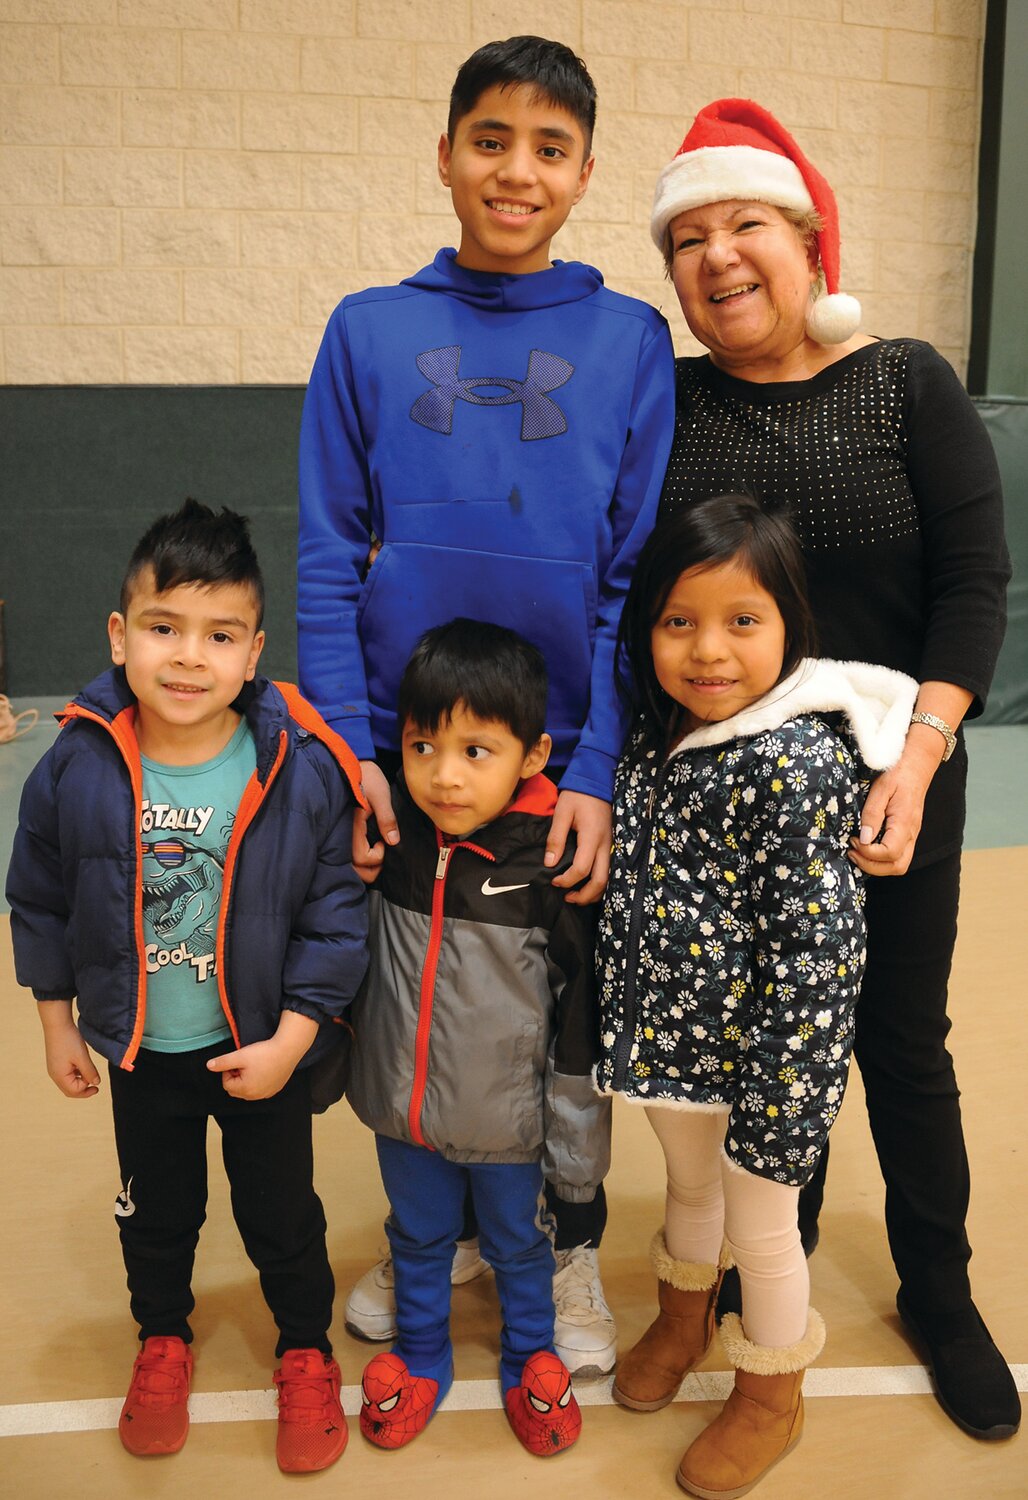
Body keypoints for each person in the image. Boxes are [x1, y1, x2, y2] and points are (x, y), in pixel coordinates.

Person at [297, 33, 675, 1377]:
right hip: (415, 765)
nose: (518, 170)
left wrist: (592, 771)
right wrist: (354, 756)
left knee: (561, 1037)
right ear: (446, 152)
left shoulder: (631, 340)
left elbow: (633, 581)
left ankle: (569, 1251)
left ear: (582, 174)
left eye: (551, 146)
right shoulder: (369, 328)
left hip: (555, 773)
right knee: (426, 1009)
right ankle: (452, 1230)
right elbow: (330, 555)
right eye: (493, 139)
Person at [650, 97, 1019, 1442]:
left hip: (889, 775)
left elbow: (977, 587)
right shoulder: (671, 400)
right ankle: (762, 1291)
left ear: (810, 236)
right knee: (750, 1058)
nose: (717, 255)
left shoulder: (905, 378)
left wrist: (922, 757)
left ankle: (942, 1288)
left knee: (899, 1046)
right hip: (724, 807)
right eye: (686, 238)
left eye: (744, 222)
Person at [5, 500, 369, 1474]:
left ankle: (303, 1348)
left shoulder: (295, 766)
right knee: (157, 1216)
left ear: (253, 653)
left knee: (282, 1217)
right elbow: (35, 896)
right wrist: (56, 1024)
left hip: (260, 1054)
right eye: (163, 628)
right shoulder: (78, 761)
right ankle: (161, 1337)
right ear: (121, 636)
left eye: (218, 636)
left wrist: (294, 1039)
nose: (187, 657)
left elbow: (337, 920)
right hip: (140, 1053)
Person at [597, 494, 918, 1496]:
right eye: (678, 622)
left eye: (742, 622)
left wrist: (783, 1104)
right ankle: (682, 1318)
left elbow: (816, 958)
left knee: (763, 1230)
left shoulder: (793, 763)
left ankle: (769, 1391)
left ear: (789, 629)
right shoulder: (655, 742)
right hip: (671, 1052)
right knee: (685, 1193)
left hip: (764, 1073)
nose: (708, 652)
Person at [346, 619, 608, 1456]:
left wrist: (574, 1154)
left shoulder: (548, 863)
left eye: (475, 751)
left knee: (518, 1246)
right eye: (422, 747)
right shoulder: (392, 839)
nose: (443, 776)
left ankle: (530, 1354)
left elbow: (578, 1024)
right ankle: (421, 1354)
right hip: (405, 1115)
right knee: (415, 1236)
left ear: (534, 755)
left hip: (511, 1128)